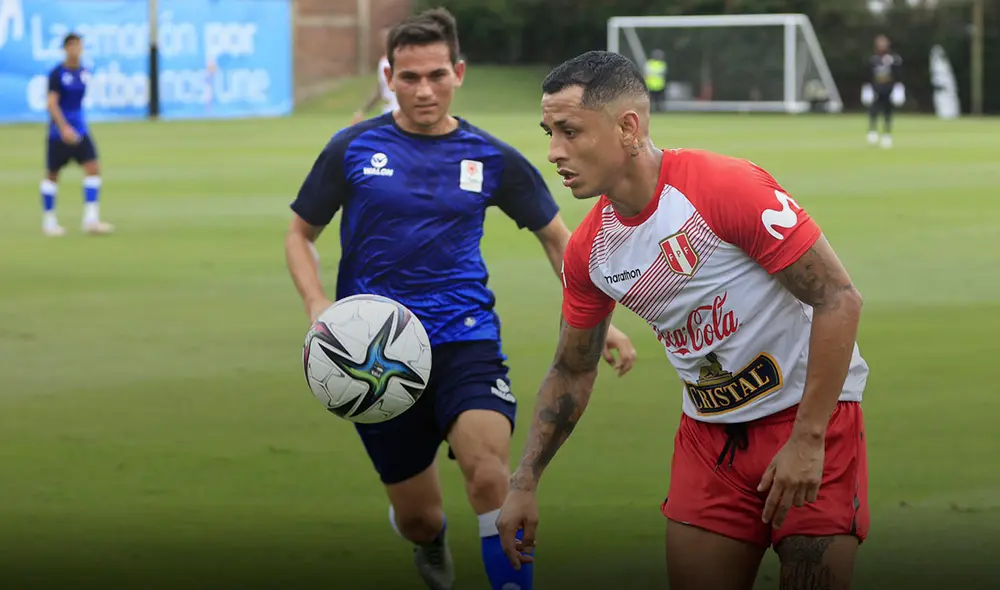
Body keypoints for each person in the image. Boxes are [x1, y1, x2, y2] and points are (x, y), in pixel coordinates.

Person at [285, 13, 637, 590]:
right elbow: (299, 233)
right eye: (409, 76)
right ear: (390, 77)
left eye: (436, 74)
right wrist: (316, 303)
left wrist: (605, 323)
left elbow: (559, 239)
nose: (424, 89)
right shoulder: (353, 147)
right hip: (373, 354)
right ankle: (428, 540)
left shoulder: (489, 156)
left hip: (465, 337)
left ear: (459, 72)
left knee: (489, 474)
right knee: (420, 516)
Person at [496, 50, 870, 590]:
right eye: (548, 131)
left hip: (811, 421)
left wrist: (809, 439)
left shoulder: (724, 188)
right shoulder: (589, 251)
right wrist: (524, 481)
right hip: (708, 443)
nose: (554, 151)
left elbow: (838, 299)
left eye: (569, 131)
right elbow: (573, 368)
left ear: (628, 127)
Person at [41, 32, 113, 237]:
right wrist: (63, 127)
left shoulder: (83, 72)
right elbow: (52, 103)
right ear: (65, 49)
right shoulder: (57, 74)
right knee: (52, 174)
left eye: (79, 46)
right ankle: (49, 221)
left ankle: (91, 219)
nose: (76, 50)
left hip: (80, 130)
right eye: (72, 46)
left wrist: (75, 126)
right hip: (59, 133)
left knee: (93, 168)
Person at [350, 26, 399, 125]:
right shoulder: (382, 62)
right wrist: (363, 111)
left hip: (400, 113)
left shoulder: (402, 61)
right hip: (387, 111)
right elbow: (380, 90)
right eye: (384, 40)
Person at [862, 34, 904, 149]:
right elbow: (868, 74)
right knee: (873, 110)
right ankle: (873, 131)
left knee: (888, 111)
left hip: (889, 88)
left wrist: (899, 87)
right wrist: (867, 88)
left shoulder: (894, 59)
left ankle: (887, 134)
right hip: (876, 87)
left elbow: (899, 74)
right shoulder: (873, 59)